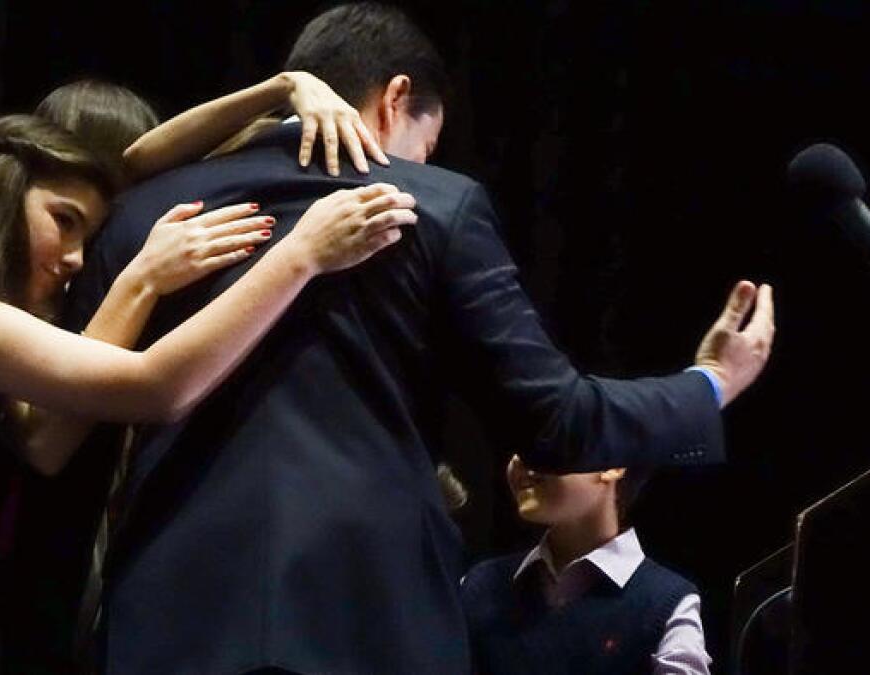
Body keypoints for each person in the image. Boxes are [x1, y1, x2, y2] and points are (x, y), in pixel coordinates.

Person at [64, 3, 776, 673]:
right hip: (369, 622)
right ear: (394, 99)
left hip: (165, 622)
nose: (421, 166)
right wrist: (710, 382)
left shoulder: (144, 215)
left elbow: (74, 436)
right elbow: (559, 424)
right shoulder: (435, 207)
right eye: (425, 145)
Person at [0, 111, 414, 674]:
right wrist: (302, 255)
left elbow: (47, 441)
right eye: (65, 221)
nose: (79, 258)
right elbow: (158, 387)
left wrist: (274, 90)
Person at [461, 455, 711, 674]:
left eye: (546, 438)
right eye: (518, 443)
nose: (519, 460)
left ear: (613, 464)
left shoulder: (667, 603)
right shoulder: (478, 586)